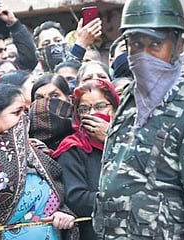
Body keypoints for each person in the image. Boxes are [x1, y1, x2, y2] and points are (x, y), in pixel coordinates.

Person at [93, 0, 184, 239]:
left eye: (155, 44)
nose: (144, 54)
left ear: (178, 46)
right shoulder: (130, 99)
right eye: (136, 44)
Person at [0, 83, 78, 240]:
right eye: (17, 113)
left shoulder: (36, 151)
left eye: (26, 112)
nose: (25, 119)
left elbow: (58, 194)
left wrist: (63, 214)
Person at [53, 79, 120, 239]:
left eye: (100, 106)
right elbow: (77, 199)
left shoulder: (130, 141)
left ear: (116, 109)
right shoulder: (73, 148)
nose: (91, 114)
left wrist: (111, 140)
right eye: (84, 109)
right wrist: (124, 199)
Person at [29, 74, 74, 150]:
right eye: (39, 98)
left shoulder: (81, 132)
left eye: (55, 96)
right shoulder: (24, 136)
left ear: (69, 100)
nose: (46, 102)